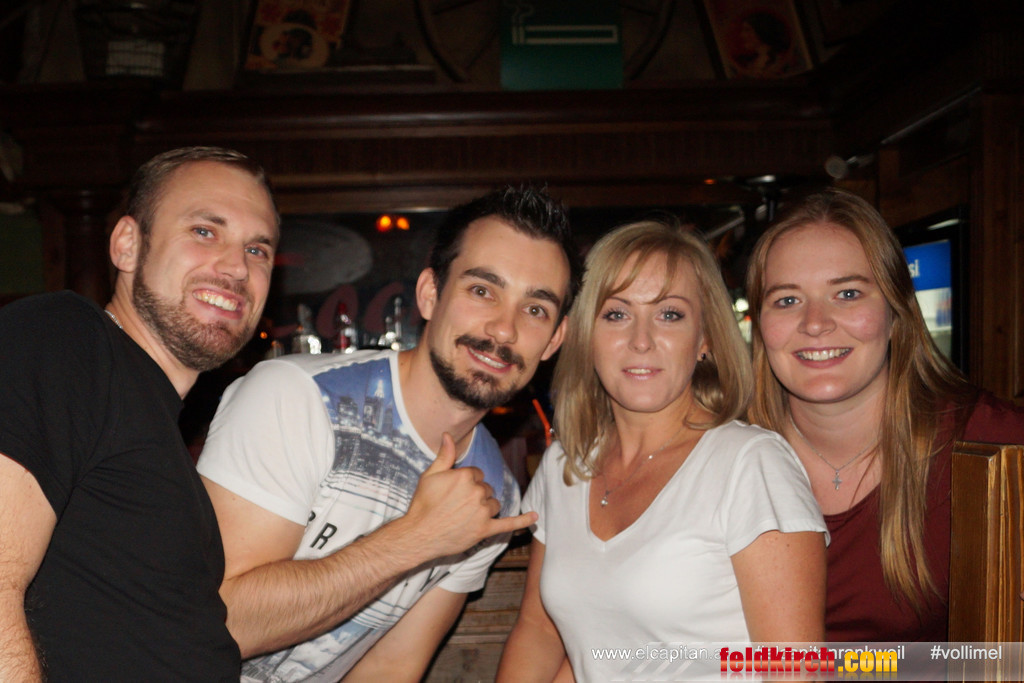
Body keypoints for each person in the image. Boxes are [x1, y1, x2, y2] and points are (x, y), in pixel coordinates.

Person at [195, 185, 582, 681]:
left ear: (554, 340)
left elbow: (391, 666)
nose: (504, 330)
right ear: (430, 294)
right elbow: (218, 624)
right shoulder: (297, 397)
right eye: (482, 291)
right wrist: (418, 537)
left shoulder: (493, 495)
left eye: (535, 309)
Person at [498, 220, 827, 681]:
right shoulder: (564, 465)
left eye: (669, 314)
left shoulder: (751, 464)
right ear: (585, 333)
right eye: (616, 314)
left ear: (705, 337)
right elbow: (541, 633)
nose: (641, 340)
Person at [0, 146, 280, 680]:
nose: (236, 267)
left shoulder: (158, 433)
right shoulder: (64, 336)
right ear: (127, 244)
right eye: (204, 231)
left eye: (257, 249)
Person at [745, 188, 1024, 641]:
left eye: (847, 293)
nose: (815, 323)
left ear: (896, 313)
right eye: (788, 300)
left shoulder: (991, 441)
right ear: (759, 325)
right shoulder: (716, 455)